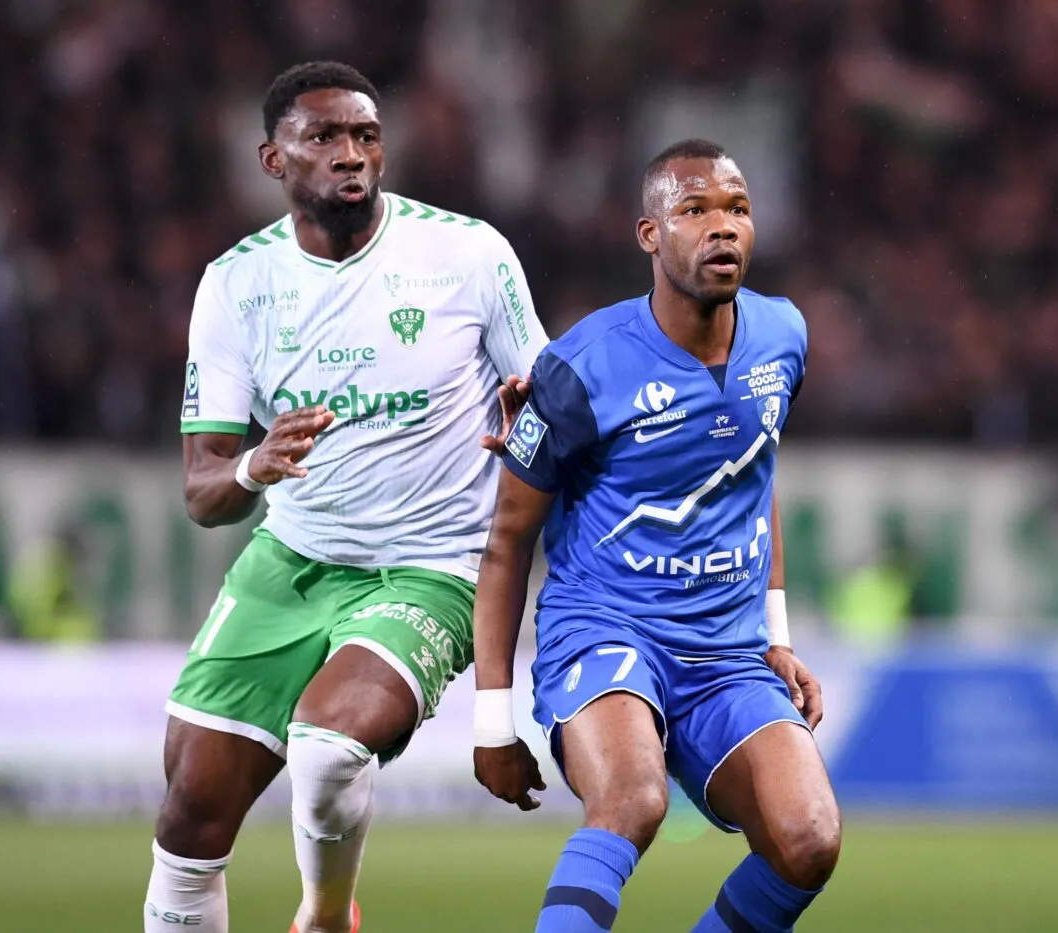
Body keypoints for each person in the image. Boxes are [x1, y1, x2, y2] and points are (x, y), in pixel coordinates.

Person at [144, 61, 547, 933]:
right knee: (187, 817)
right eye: (322, 137)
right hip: (292, 561)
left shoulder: (467, 254)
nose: (351, 154)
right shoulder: (237, 284)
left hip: (432, 567)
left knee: (328, 749)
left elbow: (549, 399)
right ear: (271, 160)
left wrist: (533, 419)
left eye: (366, 136)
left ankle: (325, 917)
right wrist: (254, 465)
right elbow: (204, 491)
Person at [471, 139, 841, 932]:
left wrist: (775, 635)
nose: (722, 229)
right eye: (695, 209)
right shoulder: (579, 369)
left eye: (737, 209)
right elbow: (506, 544)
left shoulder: (784, 335)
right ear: (649, 234)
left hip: (725, 652)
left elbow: (756, 470)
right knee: (632, 799)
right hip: (607, 629)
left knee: (808, 840)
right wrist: (491, 719)